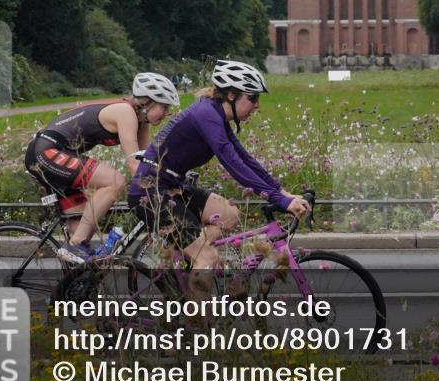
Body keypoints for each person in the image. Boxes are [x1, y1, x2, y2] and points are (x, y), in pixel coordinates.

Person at [127, 60, 310, 287]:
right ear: (231, 95)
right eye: (252, 98)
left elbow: (244, 158)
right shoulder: (206, 114)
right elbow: (232, 164)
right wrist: (278, 199)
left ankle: (188, 257)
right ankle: (198, 318)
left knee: (229, 214)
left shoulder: (215, 114)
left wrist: (280, 191)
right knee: (207, 257)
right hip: (150, 192)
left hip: (172, 187)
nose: (257, 106)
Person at [25, 72, 180, 262]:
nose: (166, 113)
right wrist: (158, 190)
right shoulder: (125, 112)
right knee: (114, 182)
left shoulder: (141, 121)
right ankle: (74, 246)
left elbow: (146, 161)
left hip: (56, 154)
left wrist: (173, 178)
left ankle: (73, 284)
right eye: (164, 107)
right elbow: (134, 164)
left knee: (83, 234)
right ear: (146, 102)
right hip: (46, 151)